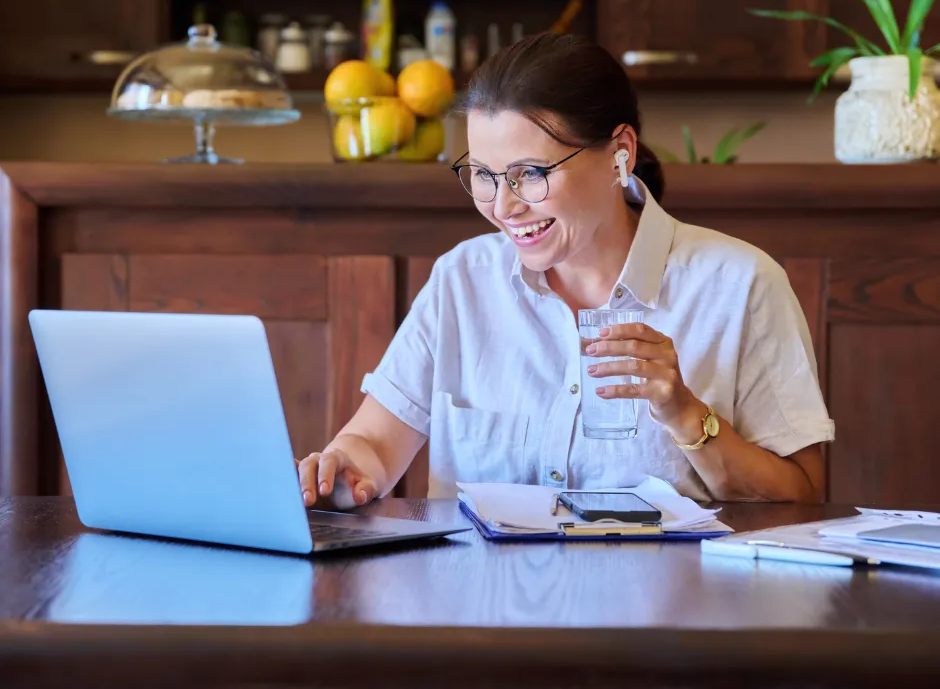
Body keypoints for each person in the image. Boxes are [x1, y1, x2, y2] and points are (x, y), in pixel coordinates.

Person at [298, 32, 834, 507]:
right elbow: (372, 443)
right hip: (478, 614)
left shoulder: (740, 286)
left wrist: (686, 413)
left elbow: (802, 495)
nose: (503, 207)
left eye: (529, 173)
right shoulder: (462, 280)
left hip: (659, 615)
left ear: (619, 153)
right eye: (483, 175)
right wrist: (342, 468)